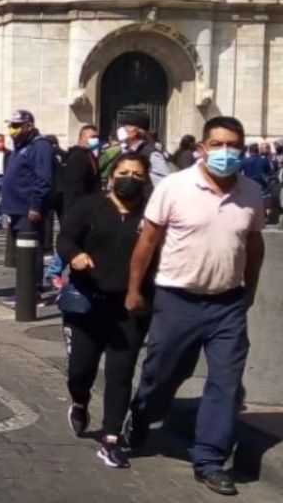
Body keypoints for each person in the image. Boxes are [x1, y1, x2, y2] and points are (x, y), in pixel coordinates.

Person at [125, 116, 265, 496]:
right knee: (163, 372)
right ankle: (142, 416)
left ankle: (209, 459)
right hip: (176, 299)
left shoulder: (252, 192)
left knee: (225, 381)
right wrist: (134, 290)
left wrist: (249, 290)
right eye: (217, 144)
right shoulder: (174, 187)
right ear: (202, 148)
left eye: (232, 145)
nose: (225, 152)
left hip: (227, 305)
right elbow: (147, 242)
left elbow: (254, 246)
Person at [57, 153, 151, 469]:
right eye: (124, 172)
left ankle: (111, 438)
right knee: (80, 371)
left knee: (121, 373)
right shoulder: (90, 206)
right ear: (111, 177)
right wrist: (75, 255)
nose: (130, 178)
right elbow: (65, 238)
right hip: (88, 301)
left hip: (130, 306)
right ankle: (80, 402)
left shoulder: (151, 214)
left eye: (138, 174)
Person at [0, 110, 56, 254]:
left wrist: (35, 205)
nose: (12, 129)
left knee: (30, 254)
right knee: (20, 256)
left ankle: (33, 277)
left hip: (28, 210)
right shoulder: (21, 145)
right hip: (15, 209)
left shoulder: (40, 146)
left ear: (28, 126)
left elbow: (43, 178)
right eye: (11, 125)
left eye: (16, 125)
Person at [114, 110, 170, 187]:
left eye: (127, 126)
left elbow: (163, 184)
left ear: (137, 131)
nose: (122, 129)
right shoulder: (125, 150)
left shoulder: (152, 154)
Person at [59, 125, 101, 225]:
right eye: (92, 137)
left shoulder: (89, 154)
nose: (96, 140)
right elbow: (75, 187)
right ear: (82, 138)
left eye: (97, 137)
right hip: (78, 208)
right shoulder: (77, 156)